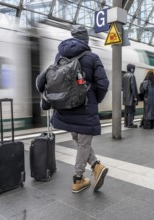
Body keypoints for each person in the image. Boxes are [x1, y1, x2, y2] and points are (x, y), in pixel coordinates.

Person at [39, 25, 110, 193]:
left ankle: (96, 165)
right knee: (84, 144)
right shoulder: (92, 57)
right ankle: (78, 179)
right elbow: (103, 84)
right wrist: (94, 100)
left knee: (79, 141)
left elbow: (46, 80)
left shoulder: (59, 56)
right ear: (86, 40)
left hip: (63, 108)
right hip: (84, 107)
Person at [122, 64, 138, 128]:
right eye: (134, 68)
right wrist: (135, 97)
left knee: (126, 111)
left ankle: (125, 124)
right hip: (131, 97)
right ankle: (130, 124)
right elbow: (133, 87)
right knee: (131, 111)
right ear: (132, 69)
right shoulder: (132, 76)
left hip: (125, 97)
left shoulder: (124, 75)